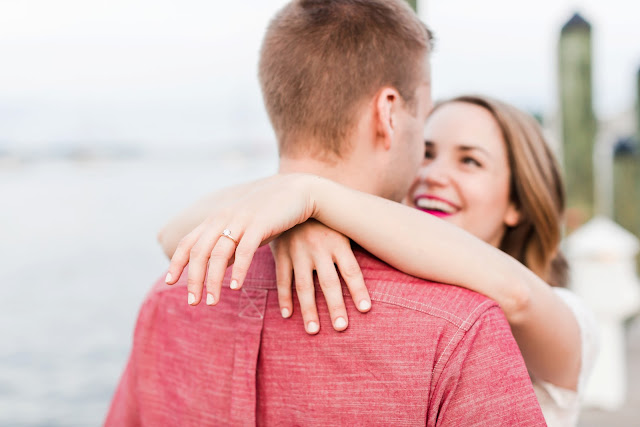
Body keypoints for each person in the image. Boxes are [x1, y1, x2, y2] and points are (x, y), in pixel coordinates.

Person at [106, 0, 545, 425]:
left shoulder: (168, 301)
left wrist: (306, 199)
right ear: (388, 112)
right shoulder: (459, 330)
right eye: (423, 119)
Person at [160, 96, 598, 426]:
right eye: (425, 152)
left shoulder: (570, 316)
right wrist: (296, 204)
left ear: (516, 204)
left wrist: (312, 195)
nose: (433, 174)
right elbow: (171, 235)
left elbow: (516, 294)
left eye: (469, 161)